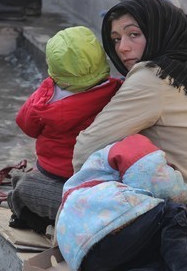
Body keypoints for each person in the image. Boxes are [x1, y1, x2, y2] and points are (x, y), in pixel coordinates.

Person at [73, 0, 187, 253]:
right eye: (116, 39)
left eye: (133, 34)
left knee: (34, 189)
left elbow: (82, 152)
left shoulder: (154, 78)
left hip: (177, 228)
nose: (122, 48)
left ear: (157, 30)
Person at [6, 26, 122, 232]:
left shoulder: (47, 98)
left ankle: (27, 216)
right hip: (97, 177)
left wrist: (46, 88)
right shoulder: (117, 91)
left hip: (54, 173)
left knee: (22, 186)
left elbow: (26, 124)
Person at [57, 134, 187, 271]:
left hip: (83, 258)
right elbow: (158, 179)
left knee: (155, 255)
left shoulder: (88, 174)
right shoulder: (133, 144)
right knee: (175, 214)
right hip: (104, 228)